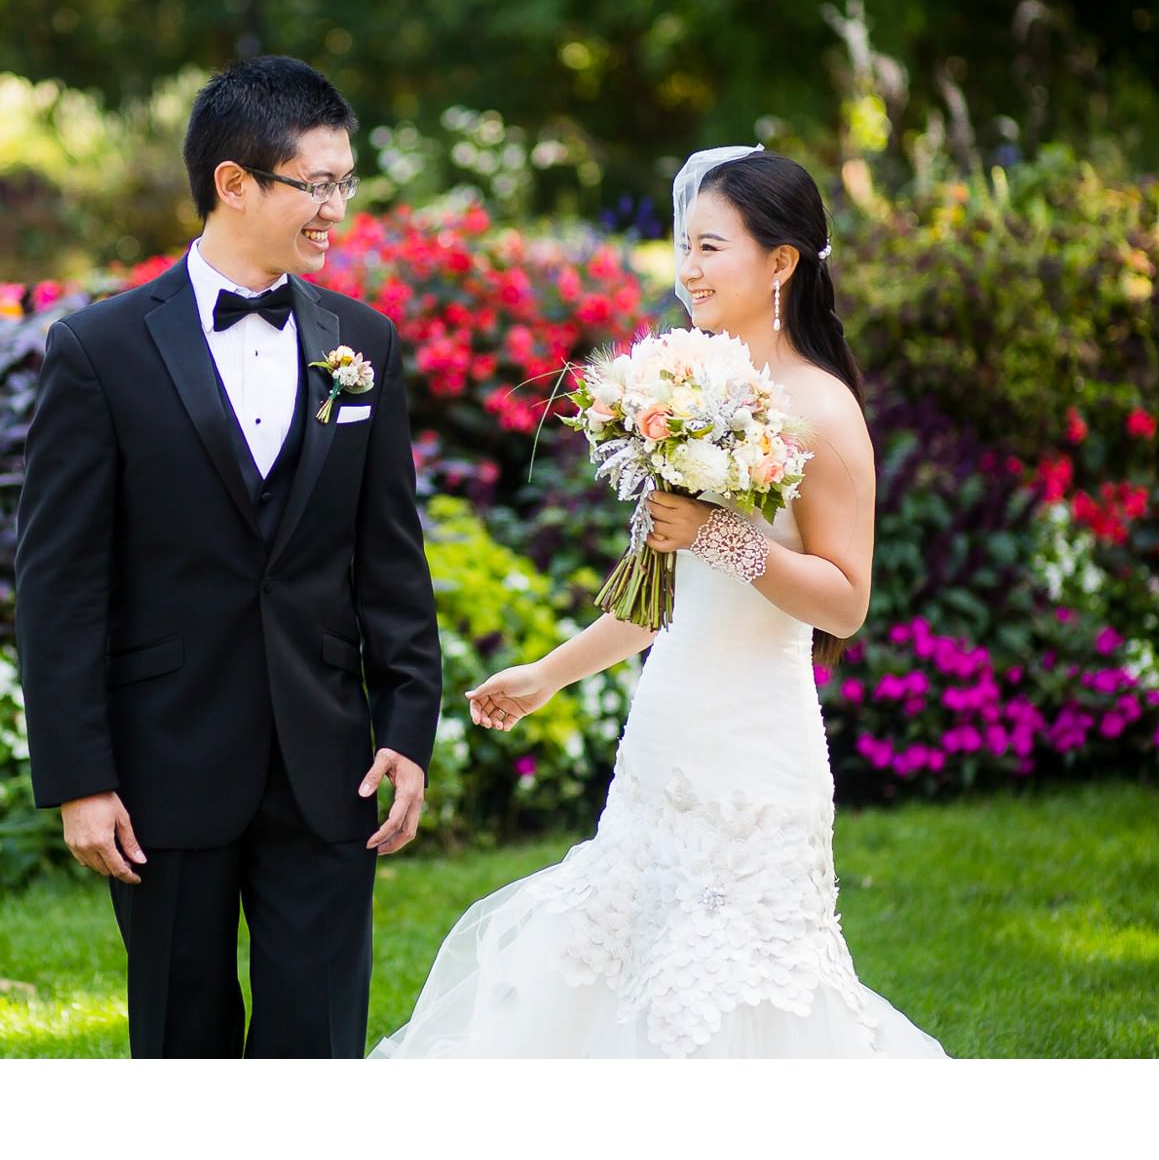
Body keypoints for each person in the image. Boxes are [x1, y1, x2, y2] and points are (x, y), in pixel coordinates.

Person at [370, 147, 947, 1059]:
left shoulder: (823, 412)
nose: (688, 270)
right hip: (664, 737)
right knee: (614, 969)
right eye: (684, 246)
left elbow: (845, 603)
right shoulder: (694, 391)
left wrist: (726, 537)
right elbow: (655, 599)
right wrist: (547, 676)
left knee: (727, 997)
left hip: (756, 756)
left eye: (711, 247)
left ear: (782, 262)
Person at [16, 55, 441, 1059]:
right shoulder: (99, 350)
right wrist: (78, 776)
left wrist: (410, 726)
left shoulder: (362, 343)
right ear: (234, 183)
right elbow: (59, 582)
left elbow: (389, 555)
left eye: (347, 182)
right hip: (163, 762)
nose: (338, 207)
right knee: (181, 1035)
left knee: (320, 1035)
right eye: (318, 183)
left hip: (327, 757)